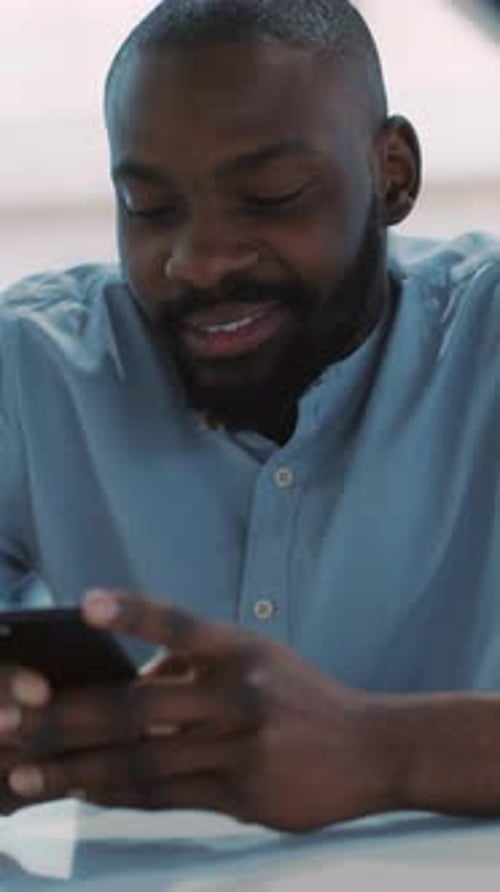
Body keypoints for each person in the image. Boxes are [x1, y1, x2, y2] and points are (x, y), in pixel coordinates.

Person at [0, 0, 498, 831]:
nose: (197, 261)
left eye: (272, 196)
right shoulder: (32, 369)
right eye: (150, 207)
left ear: (393, 175)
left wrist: (379, 749)